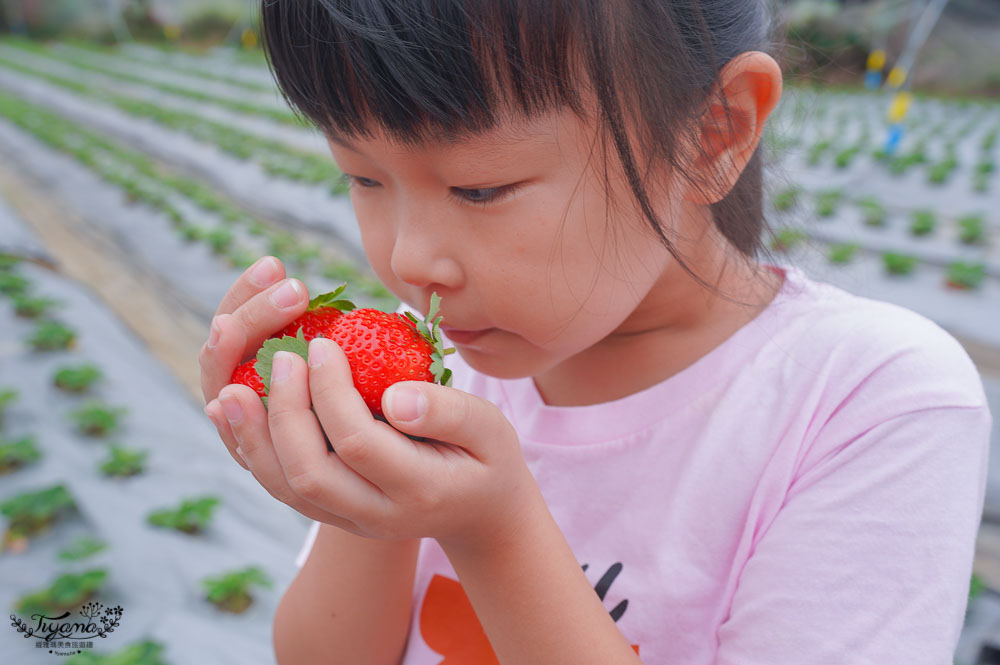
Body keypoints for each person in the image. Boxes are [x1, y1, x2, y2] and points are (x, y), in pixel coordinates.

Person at [199, 1, 993, 663]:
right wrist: (359, 492)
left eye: (480, 188)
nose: (409, 259)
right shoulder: (424, 371)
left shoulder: (867, 400)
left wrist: (494, 529)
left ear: (713, 132)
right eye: (362, 176)